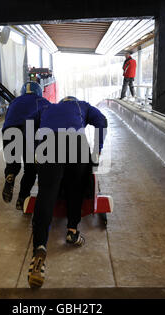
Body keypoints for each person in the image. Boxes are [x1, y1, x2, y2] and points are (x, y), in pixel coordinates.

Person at [27, 96, 108, 288]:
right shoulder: (83, 106)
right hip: (76, 145)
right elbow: (102, 121)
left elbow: (28, 122)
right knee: (76, 188)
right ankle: (72, 231)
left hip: (48, 146)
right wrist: (98, 150)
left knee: (46, 194)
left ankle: (39, 248)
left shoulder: (47, 108)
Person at [2, 81, 51, 210]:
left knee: (12, 163)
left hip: (8, 130)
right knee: (30, 168)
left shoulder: (14, 102)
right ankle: (22, 199)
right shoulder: (41, 101)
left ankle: (10, 174)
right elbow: (51, 117)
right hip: (28, 131)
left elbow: (7, 120)